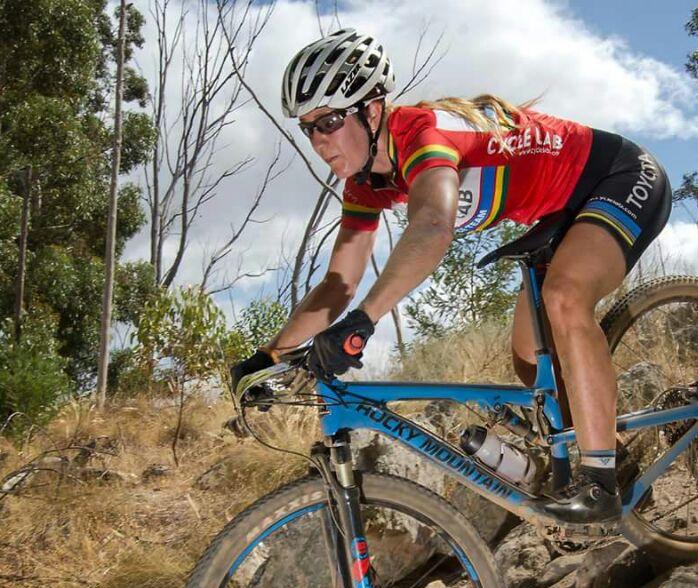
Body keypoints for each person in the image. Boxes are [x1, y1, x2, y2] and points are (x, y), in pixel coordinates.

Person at [229, 28, 671, 523]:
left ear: (372, 111)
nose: (318, 140)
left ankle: (600, 482)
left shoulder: (423, 135)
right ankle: (623, 465)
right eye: (307, 127)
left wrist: (365, 320)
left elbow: (433, 225)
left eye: (329, 121)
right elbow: (338, 283)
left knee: (565, 298)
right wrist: (271, 354)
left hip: (621, 177)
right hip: (556, 218)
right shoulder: (365, 182)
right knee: (532, 360)